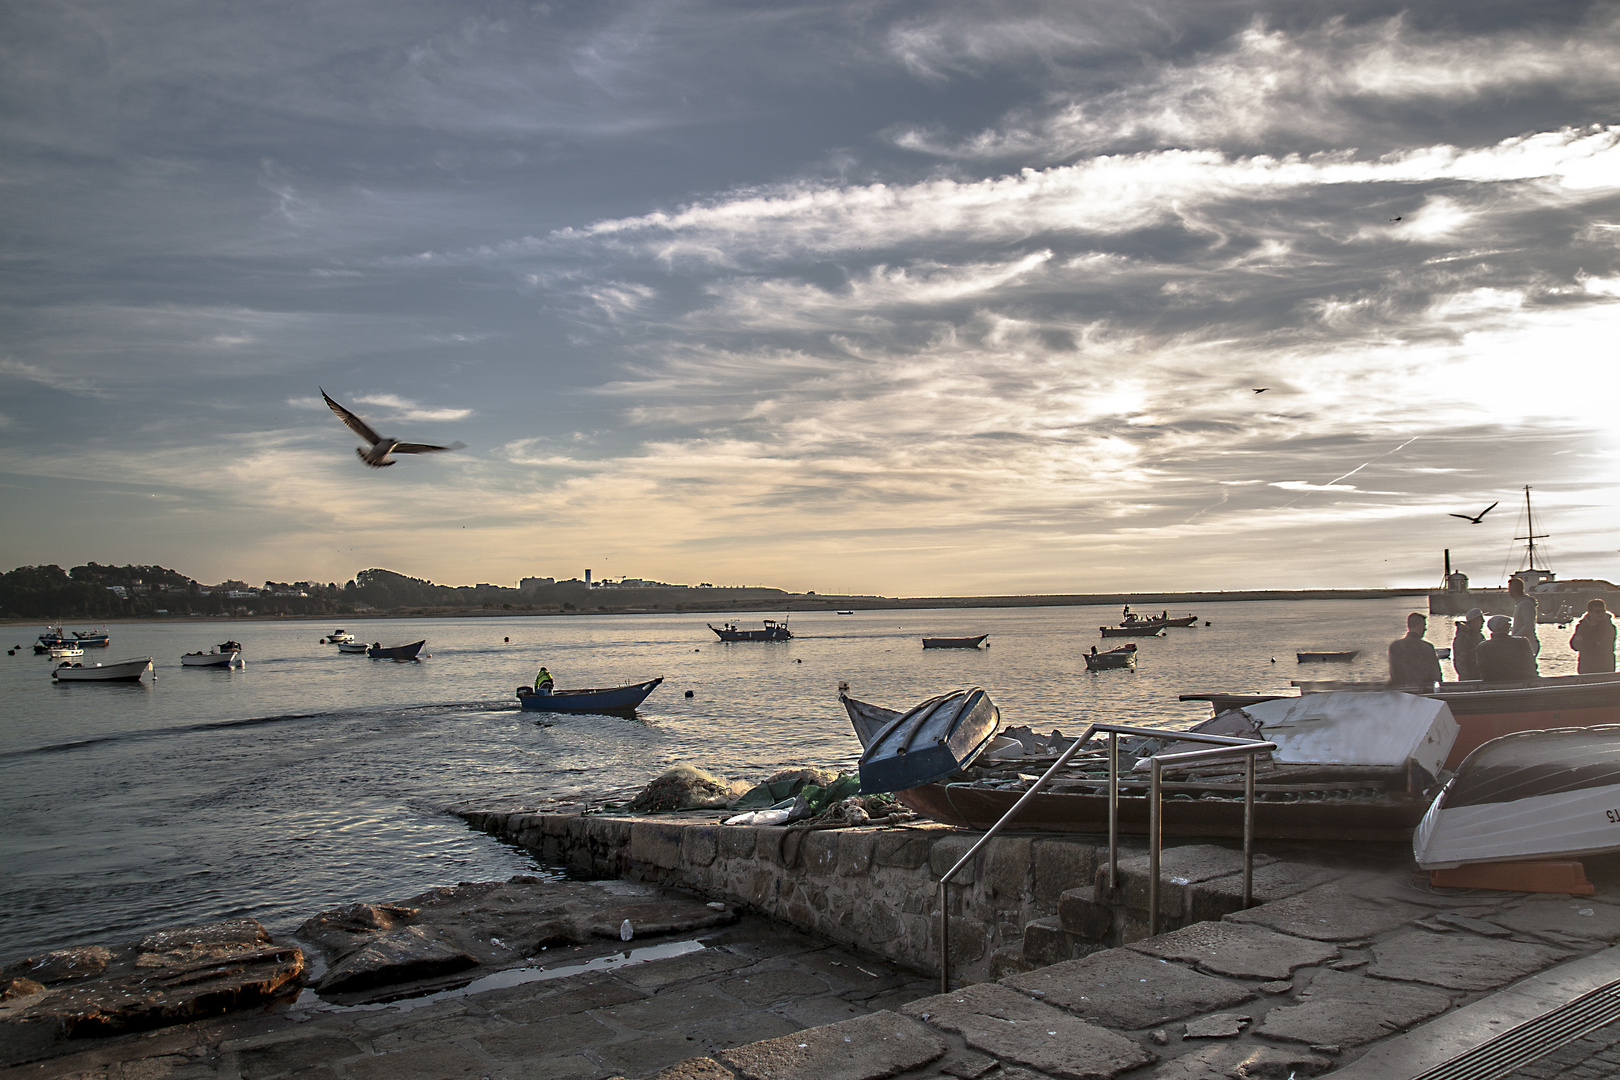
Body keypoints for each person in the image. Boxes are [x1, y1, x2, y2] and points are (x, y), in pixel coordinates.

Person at [1388, 612, 1443, 691]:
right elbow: (1436, 675)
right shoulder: (1427, 647)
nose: (1425, 629)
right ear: (1419, 626)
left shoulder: (1395, 647)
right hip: (1424, 692)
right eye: (1424, 625)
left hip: (1402, 692)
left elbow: (1393, 674)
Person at [1476, 615, 1537, 683]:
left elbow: (1483, 672)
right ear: (1506, 627)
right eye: (1508, 624)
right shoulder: (1522, 642)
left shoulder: (1482, 647)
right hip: (1523, 681)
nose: (1509, 626)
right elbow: (1532, 666)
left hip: (1494, 683)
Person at [1570, 599, 1617, 674]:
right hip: (1585, 667)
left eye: (1603, 611)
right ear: (1590, 612)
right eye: (1598, 612)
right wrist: (1590, 643)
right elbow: (1574, 645)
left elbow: (1603, 646)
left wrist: (1583, 642)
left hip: (1604, 667)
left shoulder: (1609, 628)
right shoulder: (1581, 626)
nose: (1601, 614)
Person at [1507, 576, 1540, 656]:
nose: (1509, 591)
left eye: (1509, 589)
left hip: (1528, 645)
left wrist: (1513, 638)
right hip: (1522, 644)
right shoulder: (1521, 603)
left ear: (1513, 590)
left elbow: (1529, 626)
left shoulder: (1525, 604)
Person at [1451, 608, 1485, 681]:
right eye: (1480, 619)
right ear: (1473, 621)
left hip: (1480, 675)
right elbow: (1460, 660)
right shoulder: (1462, 638)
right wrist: (1466, 678)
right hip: (1469, 678)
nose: (1483, 621)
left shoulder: (1480, 636)